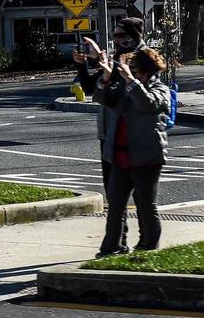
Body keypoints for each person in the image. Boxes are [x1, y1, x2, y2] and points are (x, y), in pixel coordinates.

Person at [73, 17, 146, 255]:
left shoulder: (144, 57)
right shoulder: (115, 59)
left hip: (136, 137)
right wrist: (84, 64)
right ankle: (117, 243)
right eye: (115, 36)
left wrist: (101, 61)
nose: (118, 40)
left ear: (135, 35)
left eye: (122, 36)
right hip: (109, 135)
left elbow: (124, 77)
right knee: (114, 195)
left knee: (143, 196)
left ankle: (146, 243)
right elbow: (93, 88)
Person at [92, 47, 171, 258]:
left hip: (147, 156)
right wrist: (106, 79)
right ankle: (112, 247)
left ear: (146, 72)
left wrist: (131, 81)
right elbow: (102, 99)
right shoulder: (125, 88)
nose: (129, 72)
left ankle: (149, 245)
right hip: (120, 156)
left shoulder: (160, 89)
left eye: (134, 69)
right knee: (116, 204)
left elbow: (149, 104)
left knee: (145, 203)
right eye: (130, 69)